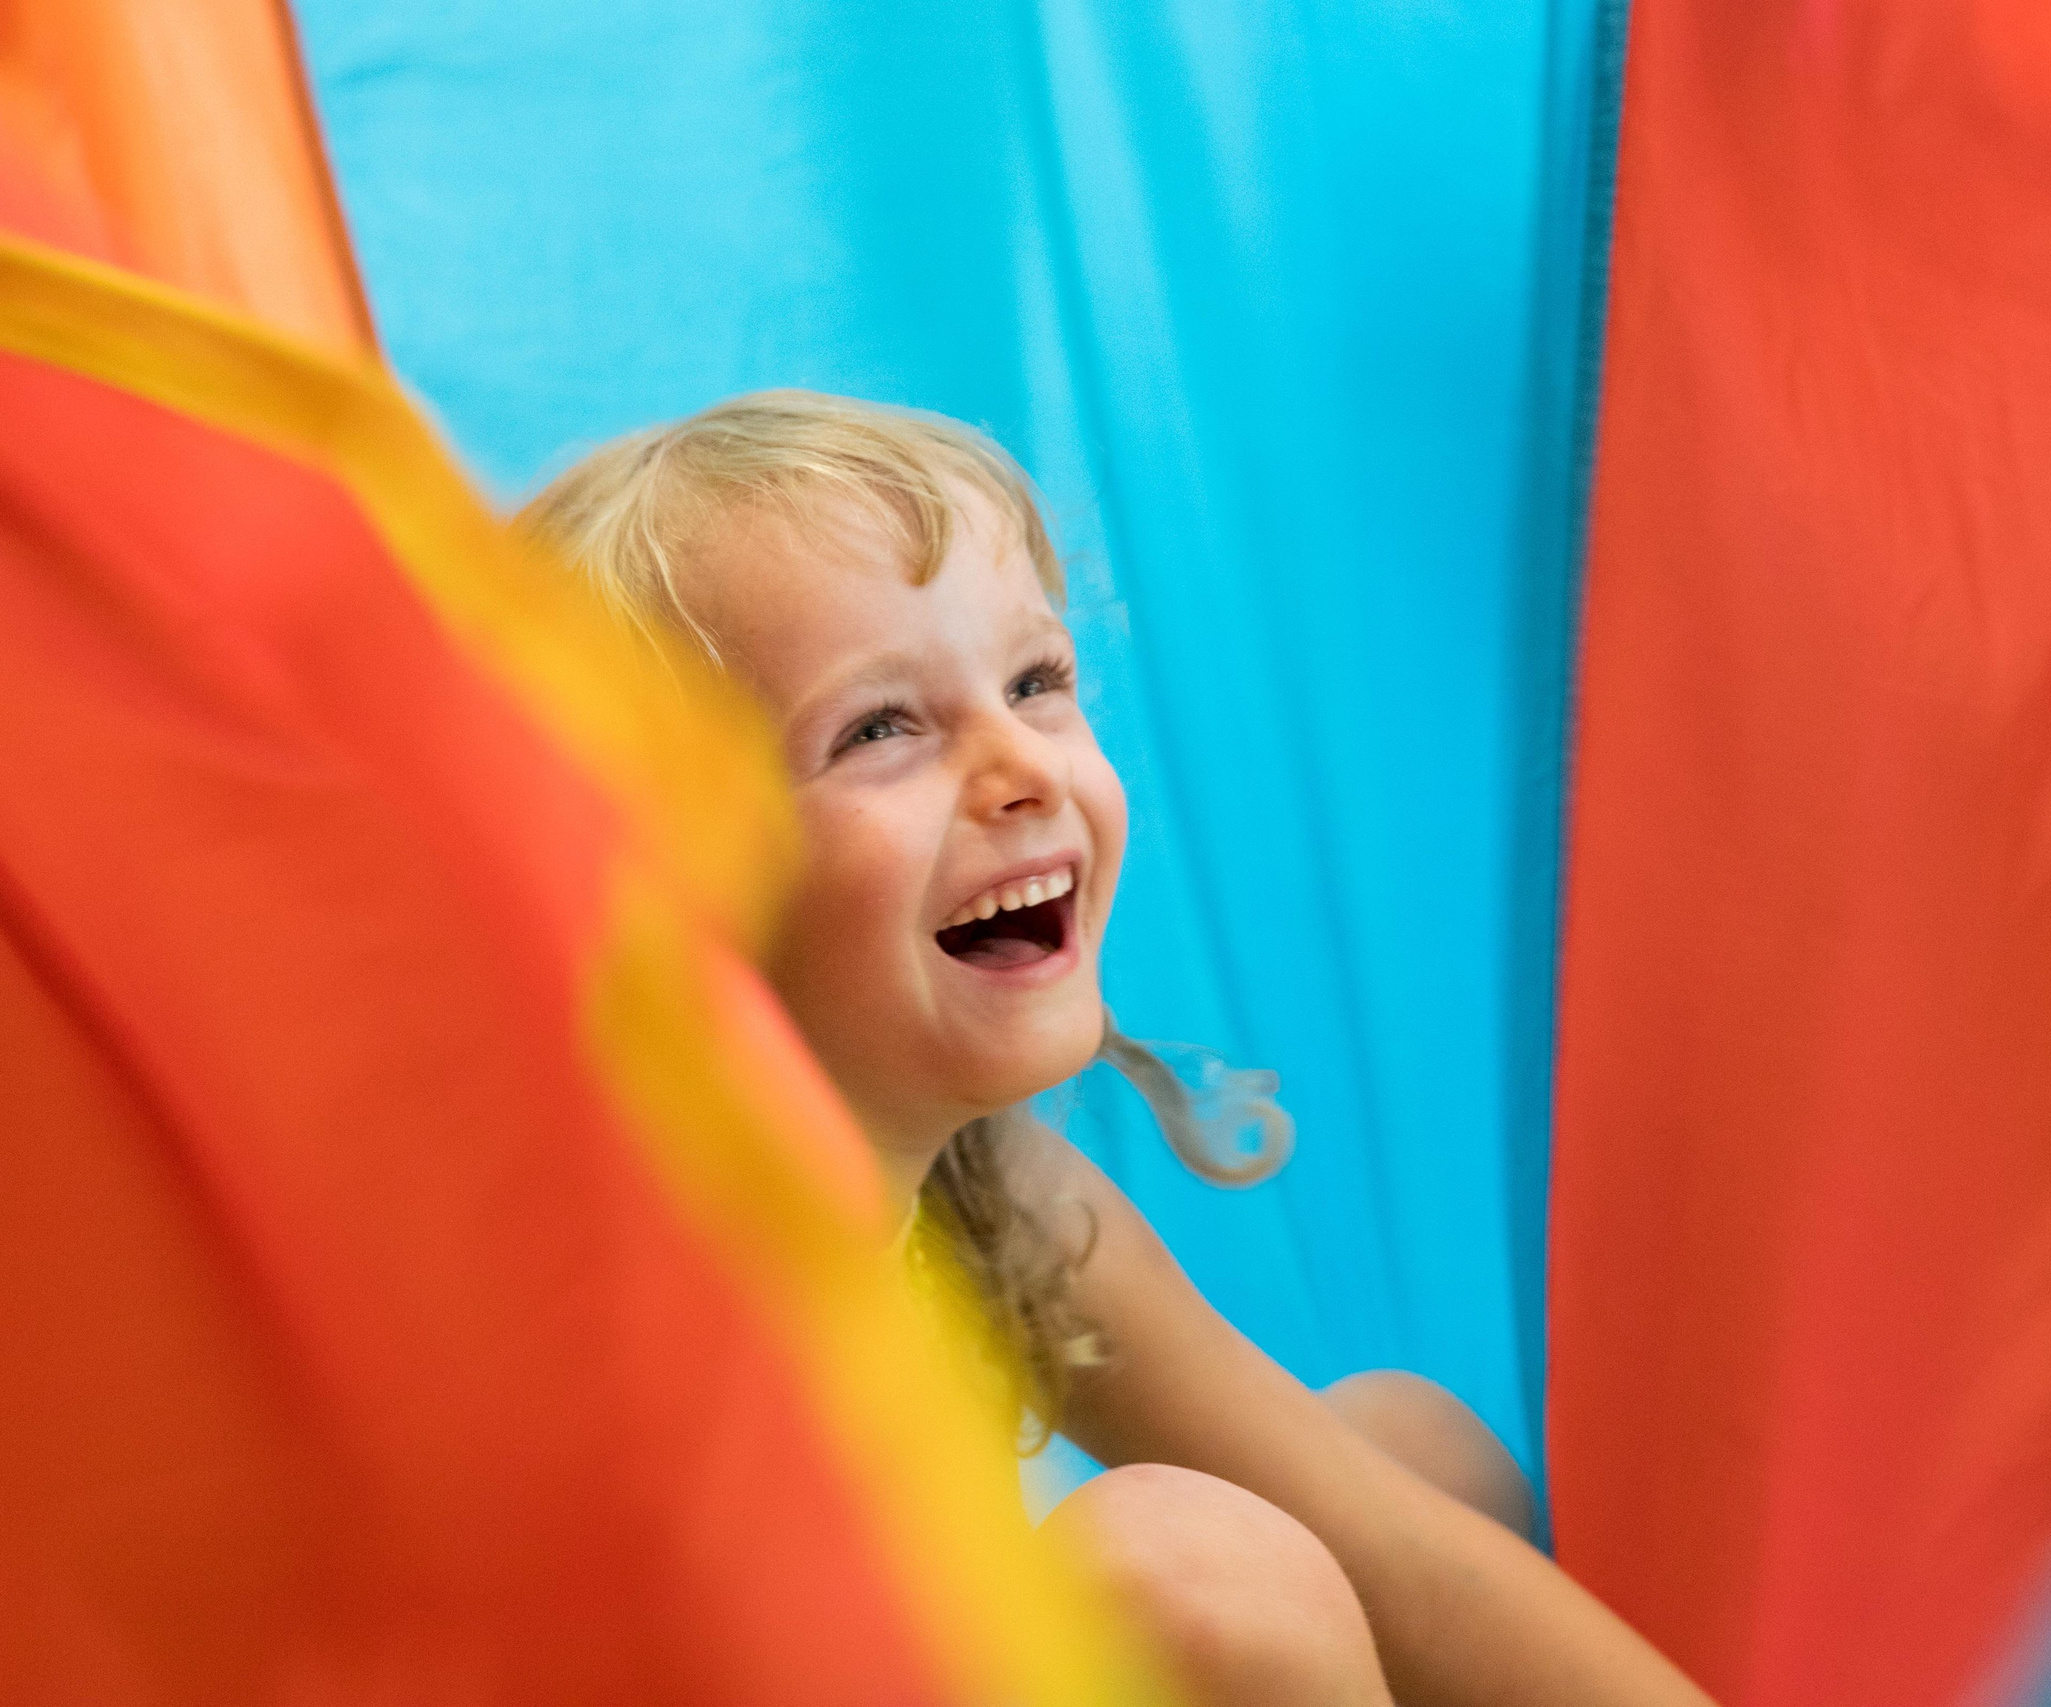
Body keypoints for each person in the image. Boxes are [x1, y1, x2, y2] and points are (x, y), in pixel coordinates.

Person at [521, 391, 1710, 1707]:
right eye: (880, 730)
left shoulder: (986, 1201)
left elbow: (1406, 1554)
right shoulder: (652, 1297)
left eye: (1036, 682)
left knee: (1410, 1450)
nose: (1020, 764)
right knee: (1182, 1569)